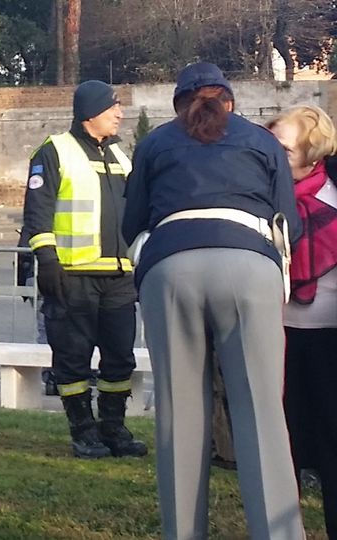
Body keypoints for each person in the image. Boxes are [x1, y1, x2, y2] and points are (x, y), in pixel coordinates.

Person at [122, 62, 305, 540]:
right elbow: (291, 223)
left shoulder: (155, 142)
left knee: (180, 416)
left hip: (171, 267)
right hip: (249, 266)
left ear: (179, 103)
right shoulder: (262, 141)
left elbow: (132, 222)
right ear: (230, 99)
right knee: (261, 412)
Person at [21, 80, 146, 459]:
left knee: (120, 357)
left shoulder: (122, 157)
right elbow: (37, 213)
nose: (120, 114)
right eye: (113, 107)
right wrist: (47, 260)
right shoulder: (54, 151)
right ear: (91, 111)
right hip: (71, 276)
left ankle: (114, 428)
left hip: (119, 277)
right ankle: (83, 431)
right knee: (73, 359)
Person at [268, 105, 337, 537]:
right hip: (277, 336)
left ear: (312, 158)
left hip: (329, 337)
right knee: (282, 446)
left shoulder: (332, 199)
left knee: (332, 446)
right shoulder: (265, 195)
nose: (275, 155)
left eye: (285, 149)